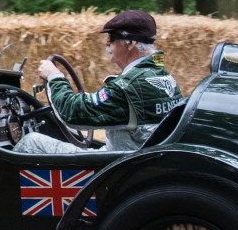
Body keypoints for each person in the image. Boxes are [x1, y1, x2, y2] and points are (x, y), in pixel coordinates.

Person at [14, 10, 184, 154]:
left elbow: (71, 114)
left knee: (31, 142)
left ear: (130, 43)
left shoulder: (128, 86)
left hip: (119, 167)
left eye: (111, 38)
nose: (107, 43)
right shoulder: (163, 77)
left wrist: (54, 77)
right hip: (140, 159)